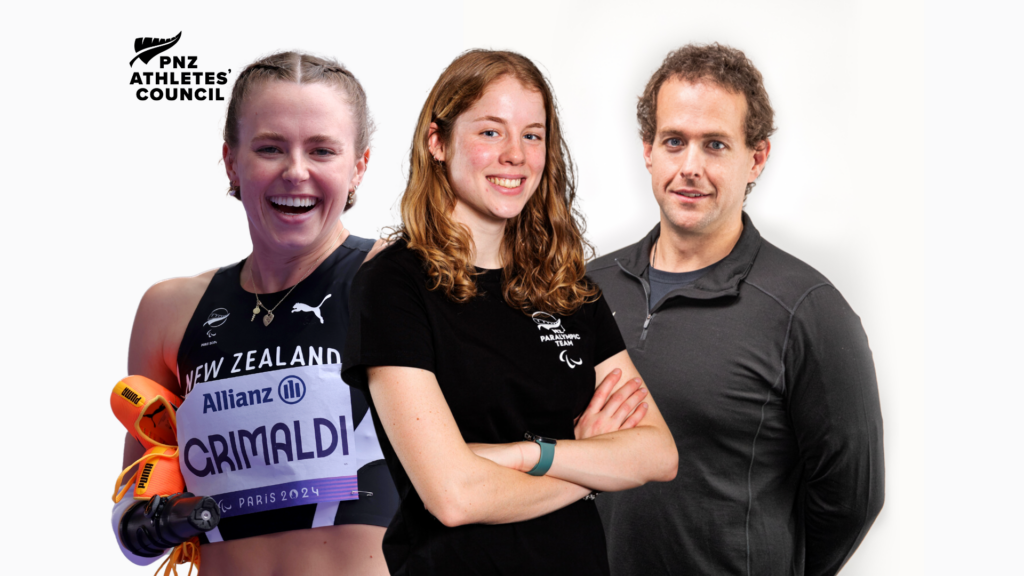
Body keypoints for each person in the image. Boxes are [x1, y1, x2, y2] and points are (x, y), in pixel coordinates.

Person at [341, 49, 679, 576]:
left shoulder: (567, 286)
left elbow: (657, 453)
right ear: (437, 141)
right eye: (490, 132)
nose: (516, 155)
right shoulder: (393, 284)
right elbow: (454, 496)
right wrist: (591, 462)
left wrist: (528, 455)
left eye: (532, 134)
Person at [588, 43, 885, 576]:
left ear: (757, 157)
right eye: (674, 141)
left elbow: (851, 501)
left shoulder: (806, 310)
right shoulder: (587, 289)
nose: (690, 167)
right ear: (648, 150)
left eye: (715, 145)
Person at [116, 51, 396, 576]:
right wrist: (150, 515)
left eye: (322, 150)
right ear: (231, 161)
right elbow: (133, 531)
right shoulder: (168, 312)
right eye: (269, 148)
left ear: (358, 166)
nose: (296, 171)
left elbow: (477, 467)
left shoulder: (402, 281)